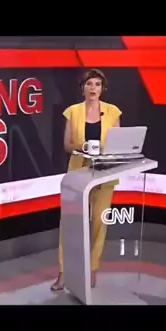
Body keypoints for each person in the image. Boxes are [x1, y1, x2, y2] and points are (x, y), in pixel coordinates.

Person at [51, 69, 122, 292]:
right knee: (69, 224)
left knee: (99, 225)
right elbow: (67, 144)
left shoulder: (112, 112)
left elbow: (118, 144)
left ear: (103, 88)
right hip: (78, 175)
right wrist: (83, 147)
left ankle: (92, 269)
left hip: (104, 175)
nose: (93, 88)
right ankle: (63, 273)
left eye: (97, 84)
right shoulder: (72, 112)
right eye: (89, 84)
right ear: (82, 88)